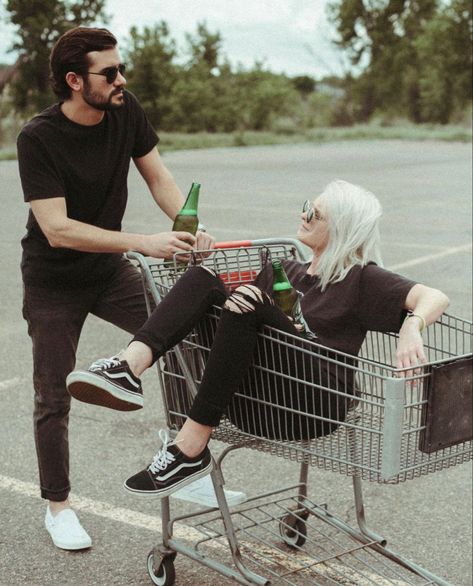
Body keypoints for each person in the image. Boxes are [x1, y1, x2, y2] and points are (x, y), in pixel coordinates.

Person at [66, 179, 450, 499]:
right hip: (255, 404)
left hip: (314, 405)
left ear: (341, 227)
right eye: (306, 206)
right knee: (204, 279)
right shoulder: (284, 270)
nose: (303, 214)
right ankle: (128, 365)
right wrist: (201, 268)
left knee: (251, 300)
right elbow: (234, 328)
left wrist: (410, 326)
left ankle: (190, 447)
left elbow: (434, 297)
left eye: (314, 213)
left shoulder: (360, 278)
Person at [17, 26, 214, 551]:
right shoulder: (37, 138)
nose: (121, 79)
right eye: (110, 72)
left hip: (107, 272)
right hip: (53, 281)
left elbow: (157, 176)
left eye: (120, 68)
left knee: (184, 337)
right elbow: (57, 229)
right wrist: (143, 241)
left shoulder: (125, 110)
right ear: (75, 81)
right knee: (53, 395)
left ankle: (179, 457)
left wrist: (188, 224)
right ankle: (58, 508)